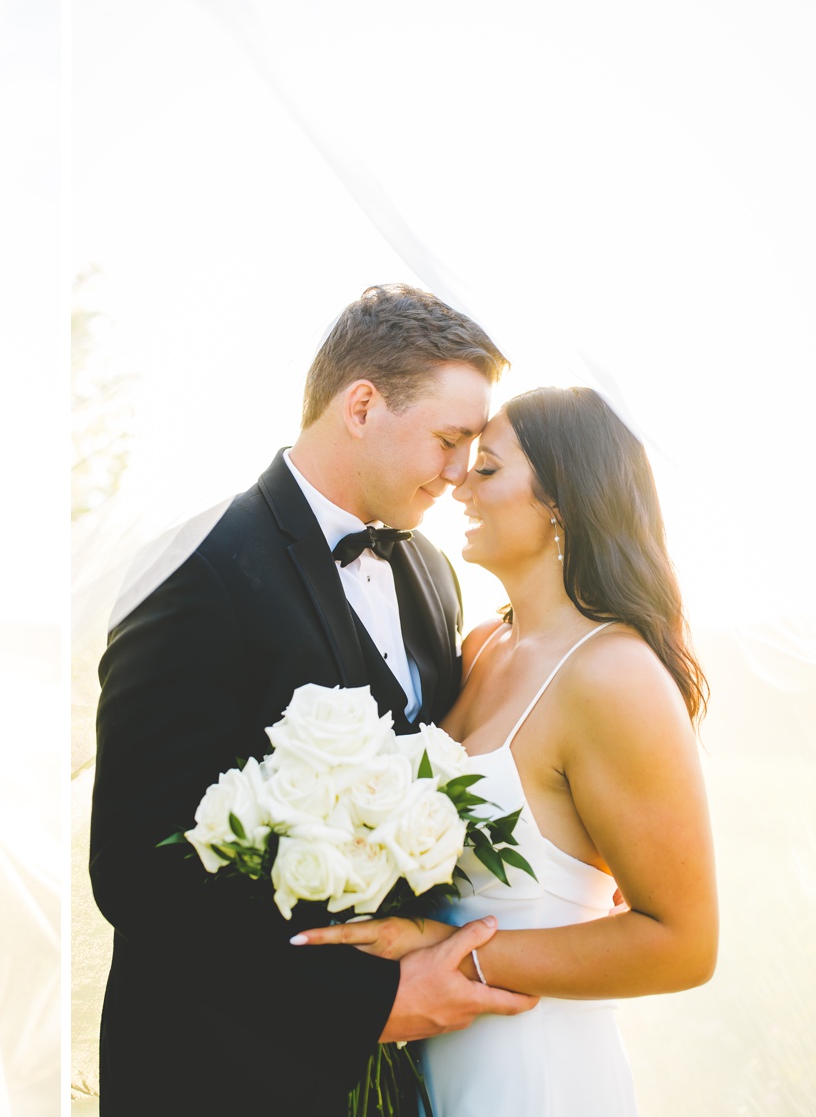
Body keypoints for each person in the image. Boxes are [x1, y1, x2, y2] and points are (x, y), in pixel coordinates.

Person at [90, 284, 538, 1115]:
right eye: (448, 439)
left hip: (401, 1077)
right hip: (217, 1074)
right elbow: (135, 871)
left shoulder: (433, 577)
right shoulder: (194, 569)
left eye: (471, 450)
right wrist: (367, 1006)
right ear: (362, 405)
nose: (456, 473)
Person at [294, 386, 717, 1115]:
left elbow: (684, 942)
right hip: (436, 1059)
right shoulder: (483, 644)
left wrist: (444, 952)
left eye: (486, 467)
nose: (458, 481)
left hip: (537, 1073)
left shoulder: (613, 674)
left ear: (560, 499)